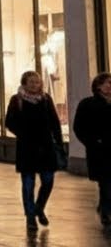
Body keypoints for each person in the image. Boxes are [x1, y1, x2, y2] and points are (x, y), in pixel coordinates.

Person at [5, 70, 64, 232]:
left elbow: (54, 122)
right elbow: (9, 121)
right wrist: (23, 134)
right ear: (24, 83)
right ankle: (30, 216)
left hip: (46, 146)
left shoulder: (45, 99)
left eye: (37, 82)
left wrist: (58, 142)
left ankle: (39, 207)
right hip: (27, 147)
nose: (34, 85)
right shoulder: (17, 100)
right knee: (28, 184)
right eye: (31, 82)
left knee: (48, 181)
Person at [73, 72, 111, 226]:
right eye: (108, 83)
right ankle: (106, 212)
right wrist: (93, 142)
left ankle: (104, 205)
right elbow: (79, 127)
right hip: (100, 151)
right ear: (98, 86)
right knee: (106, 181)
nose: (110, 86)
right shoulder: (87, 104)